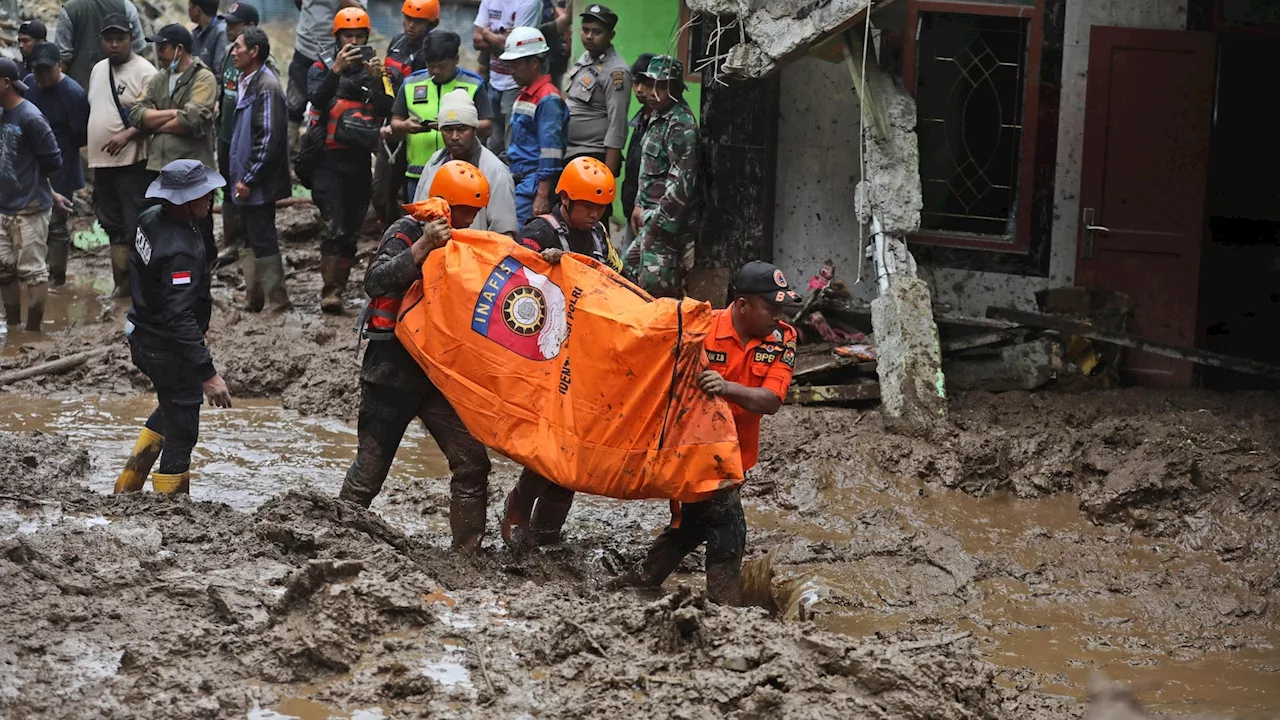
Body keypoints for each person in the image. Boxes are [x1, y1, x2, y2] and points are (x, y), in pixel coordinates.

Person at [609, 261, 800, 605]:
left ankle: (639, 580)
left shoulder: (783, 338)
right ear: (742, 305)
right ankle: (723, 604)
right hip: (693, 450)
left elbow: (771, 400)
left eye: (781, 307)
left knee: (693, 524)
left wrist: (726, 387)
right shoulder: (699, 327)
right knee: (729, 523)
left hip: (738, 453)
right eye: (771, 307)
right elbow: (641, 333)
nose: (778, 315)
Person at [340, 160, 493, 553]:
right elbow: (373, 282)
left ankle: (468, 553)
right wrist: (424, 246)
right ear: (443, 205)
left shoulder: (467, 244)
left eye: (473, 215)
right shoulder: (406, 232)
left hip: (439, 374)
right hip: (391, 371)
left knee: (472, 462)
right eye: (463, 213)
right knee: (368, 475)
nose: (468, 221)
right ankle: (337, 540)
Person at [500, 156, 624, 548]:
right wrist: (549, 267)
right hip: (546, 357)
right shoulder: (540, 231)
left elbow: (616, 280)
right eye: (587, 206)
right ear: (566, 200)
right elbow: (515, 286)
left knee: (575, 452)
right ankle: (518, 510)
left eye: (601, 206)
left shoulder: (600, 235)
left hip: (588, 358)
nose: (594, 213)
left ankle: (548, 533)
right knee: (549, 446)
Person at [114, 160, 232, 497]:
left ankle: (126, 487)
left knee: (173, 406)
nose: (210, 196)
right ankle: (171, 509)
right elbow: (178, 316)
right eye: (202, 193)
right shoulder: (179, 250)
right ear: (182, 200)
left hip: (142, 333)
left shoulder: (150, 219)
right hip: (165, 346)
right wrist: (208, 374)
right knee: (183, 430)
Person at [307, 6, 393, 314]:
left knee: (352, 228)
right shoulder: (321, 67)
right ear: (337, 37)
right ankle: (330, 290)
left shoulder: (375, 71)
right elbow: (316, 98)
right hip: (328, 162)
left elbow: (388, 105)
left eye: (359, 36)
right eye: (348, 35)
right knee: (334, 225)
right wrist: (336, 71)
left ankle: (340, 288)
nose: (353, 41)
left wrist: (378, 76)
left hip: (359, 162)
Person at [130, 24, 219, 262]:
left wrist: (155, 123)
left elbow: (192, 117)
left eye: (164, 46)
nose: (159, 52)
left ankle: (202, 285)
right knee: (160, 227)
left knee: (199, 230)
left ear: (180, 49)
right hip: (160, 166)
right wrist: (173, 114)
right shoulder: (160, 78)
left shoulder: (203, 78)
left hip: (191, 169)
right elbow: (137, 114)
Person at [87, 14, 158, 298]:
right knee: (111, 222)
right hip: (101, 163)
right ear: (102, 41)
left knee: (136, 224)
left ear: (132, 39)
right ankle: (122, 285)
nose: (114, 45)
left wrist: (128, 135)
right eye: (109, 39)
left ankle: (144, 288)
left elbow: (155, 117)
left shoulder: (145, 71)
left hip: (133, 163)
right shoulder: (98, 70)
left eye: (120, 39)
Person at [626, 55, 700, 299]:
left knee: (656, 294)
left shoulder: (681, 124)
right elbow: (647, 171)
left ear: (676, 88)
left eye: (662, 86)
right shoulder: (657, 117)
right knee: (624, 275)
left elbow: (682, 185)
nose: (653, 93)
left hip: (665, 228)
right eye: (651, 85)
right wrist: (638, 206)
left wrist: (657, 223)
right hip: (648, 221)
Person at [229, 27, 292, 314]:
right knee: (249, 235)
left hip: (258, 182)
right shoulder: (247, 82)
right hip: (245, 180)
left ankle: (276, 302)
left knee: (263, 236)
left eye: (238, 46)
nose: (233, 51)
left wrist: (250, 177)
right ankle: (255, 298)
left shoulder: (267, 86)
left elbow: (269, 139)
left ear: (254, 52)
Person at [0, 58, 65, 332]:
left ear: (5, 84)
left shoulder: (31, 118)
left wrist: (41, 189)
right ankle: (13, 327)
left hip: (31, 208)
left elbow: (53, 161)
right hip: (3, 207)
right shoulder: (2, 114)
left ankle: (32, 332)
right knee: (4, 270)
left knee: (33, 271)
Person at [389, 31, 493, 201]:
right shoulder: (411, 84)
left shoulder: (473, 84)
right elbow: (395, 122)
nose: (435, 71)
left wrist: (452, 126)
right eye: (431, 66)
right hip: (418, 175)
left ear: (456, 59)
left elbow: (487, 126)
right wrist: (405, 126)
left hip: (463, 175)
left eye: (442, 66)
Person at [22, 43, 90, 289]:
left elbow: (81, 135)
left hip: (61, 163)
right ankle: (34, 273)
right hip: (29, 163)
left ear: (59, 66)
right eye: (37, 71)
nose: (41, 76)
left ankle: (56, 277)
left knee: (57, 222)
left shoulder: (73, 93)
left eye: (46, 71)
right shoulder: (29, 85)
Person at [214, 1, 272, 268]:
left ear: (250, 27)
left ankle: (249, 246)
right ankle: (231, 243)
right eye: (227, 23)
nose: (228, 28)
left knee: (249, 195)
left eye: (234, 24)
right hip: (227, 134)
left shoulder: (264, 67)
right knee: (227, 188)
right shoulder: (229, 53)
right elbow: (222, 84)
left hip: (247, 138)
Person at [372, 0, 441, 226]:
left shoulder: (431, 53)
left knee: (407, 194)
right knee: (382, 192)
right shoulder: (397, 43)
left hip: (416, 133)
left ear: (432, 24)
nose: (410, 26)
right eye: (408, 19)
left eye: (418, 21)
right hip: (393, 125)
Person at [413, 89, 516, 237]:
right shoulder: (434, 164)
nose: (454, 136)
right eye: (447, 129)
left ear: (474, 129)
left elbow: (504, 234)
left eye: (462, 129)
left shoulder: (495, 172)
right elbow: (418, 217)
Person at [500, 27, 566, 229]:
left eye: (516, 65)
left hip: (533, 184)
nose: (511, 71)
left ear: (534, 63)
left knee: (521, 241)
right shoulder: (525, 95)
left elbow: (551, 151)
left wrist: (542, 195)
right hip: (518, 180)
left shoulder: (548, 99)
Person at [289, 0, 367, 148]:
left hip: (337, 52)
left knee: (333, 106)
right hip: (305, 47)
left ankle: (328, 146)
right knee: (294, 107)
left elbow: (359, 12)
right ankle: (289, 157)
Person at [564, 5, 629, 182]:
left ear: (610, 36)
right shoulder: (585, 58)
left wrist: (606, 176)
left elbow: (618, 125)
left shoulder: (616, 72)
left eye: (597, 32)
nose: (589, 36)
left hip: (593, 158)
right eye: (585, 30)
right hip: (570, 153)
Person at [472, 0, 539, 156]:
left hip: (516, 83)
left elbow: (518, 46)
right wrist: (501, 38)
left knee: (513, 141)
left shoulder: (528, 3)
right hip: (493, 82)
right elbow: (476, 40)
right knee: (492, 143)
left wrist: (488, 34)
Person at [56, 0, 148, 89]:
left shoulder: (69, 11)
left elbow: (62, 59)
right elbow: (138, 48)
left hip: (79, 90)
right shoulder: (125, 6)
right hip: (123, 89)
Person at [620, 52, 653, 252]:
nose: (639, 90)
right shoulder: (641, 119)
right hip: (632, 209)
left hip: (650, 214)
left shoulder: (666, 123)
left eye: (646, 83)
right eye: (636, 83)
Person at [189, 0, 227, 76]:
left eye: (189, 6)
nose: (188, 10)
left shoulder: (222, 32)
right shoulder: (196, 34)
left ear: (196, 10)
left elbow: (219, 71)